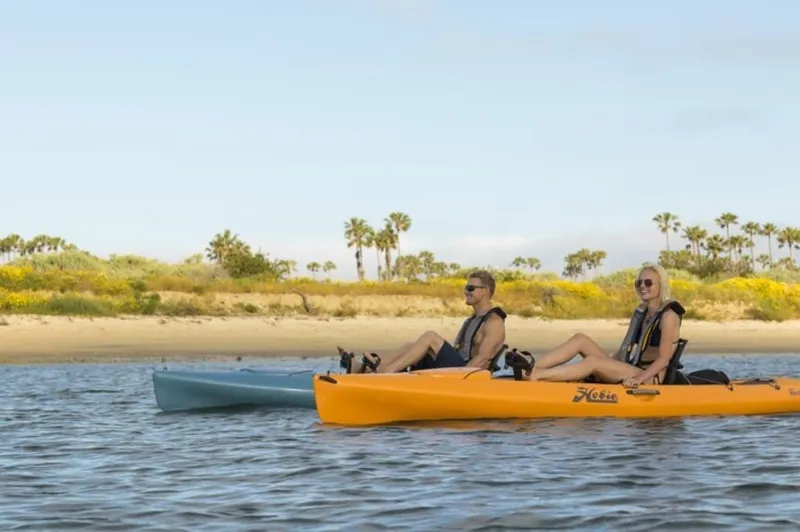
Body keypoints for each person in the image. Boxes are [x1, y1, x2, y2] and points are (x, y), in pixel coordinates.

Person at [506, 263, 685, 387]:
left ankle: (537, 376)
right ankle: (533, 368)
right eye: (639, 282)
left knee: (592, 362)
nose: (642, 286)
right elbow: (623, 352)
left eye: (648, 282)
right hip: (631, 368)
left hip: (650, 376)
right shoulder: (641, 312)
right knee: (580, 339)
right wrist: (606, 367)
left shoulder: (668, 316)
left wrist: (638, 379)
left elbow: (663, 360)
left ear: (661, 285)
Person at [338, 270, 507, 374]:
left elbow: (482, 360)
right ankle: (363, 368)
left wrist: (458, 379)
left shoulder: (494, 322)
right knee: (410, 346)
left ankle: (387, 371)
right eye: (465, 288)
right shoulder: (471, 321)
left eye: (470, 288)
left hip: (466, 375)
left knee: (430, 337)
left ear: (485, 292)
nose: (465, 292)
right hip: (457, 369)